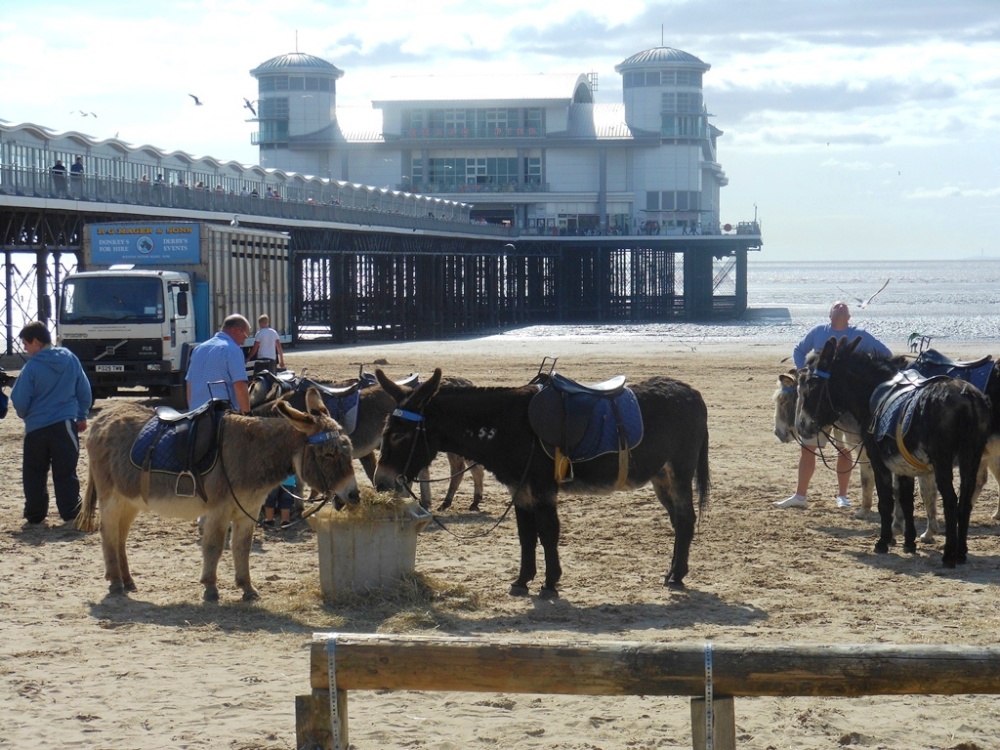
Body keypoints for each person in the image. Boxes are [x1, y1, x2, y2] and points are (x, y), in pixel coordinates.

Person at [775, 301, 892, 510]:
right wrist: (805, 371)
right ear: (830, 315)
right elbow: (799, 349)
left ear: (849, 317)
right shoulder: (819, 331)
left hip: (843, 404)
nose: (840, 306)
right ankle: (800, 495)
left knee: (844, 449)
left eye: (843, 307)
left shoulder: (860, 334)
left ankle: (843, 496)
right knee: (808, 447)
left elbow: (884, 353)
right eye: (836, 306)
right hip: (817, 401)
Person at [10, 321, 92, 526]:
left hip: (36, 429)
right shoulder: (70, 359)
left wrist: (26, 415)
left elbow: (19, 400)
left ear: (36, 342)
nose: (25, 349)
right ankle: (71, 513)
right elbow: (84, 390)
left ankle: (36, 516)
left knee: (34, 473)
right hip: (64, 424)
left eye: (26, 344)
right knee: (66, 472)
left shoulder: (32, 367)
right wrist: (82, 415)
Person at [185, 314, 252, 413]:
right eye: (245, 337)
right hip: (221, 416)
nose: (243, 342)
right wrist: (247, 414)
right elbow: (240, 384)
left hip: (197, 416)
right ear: (237, 330)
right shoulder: (233, 350)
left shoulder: (198, 349)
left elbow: (190, 384)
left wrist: (192, 413)